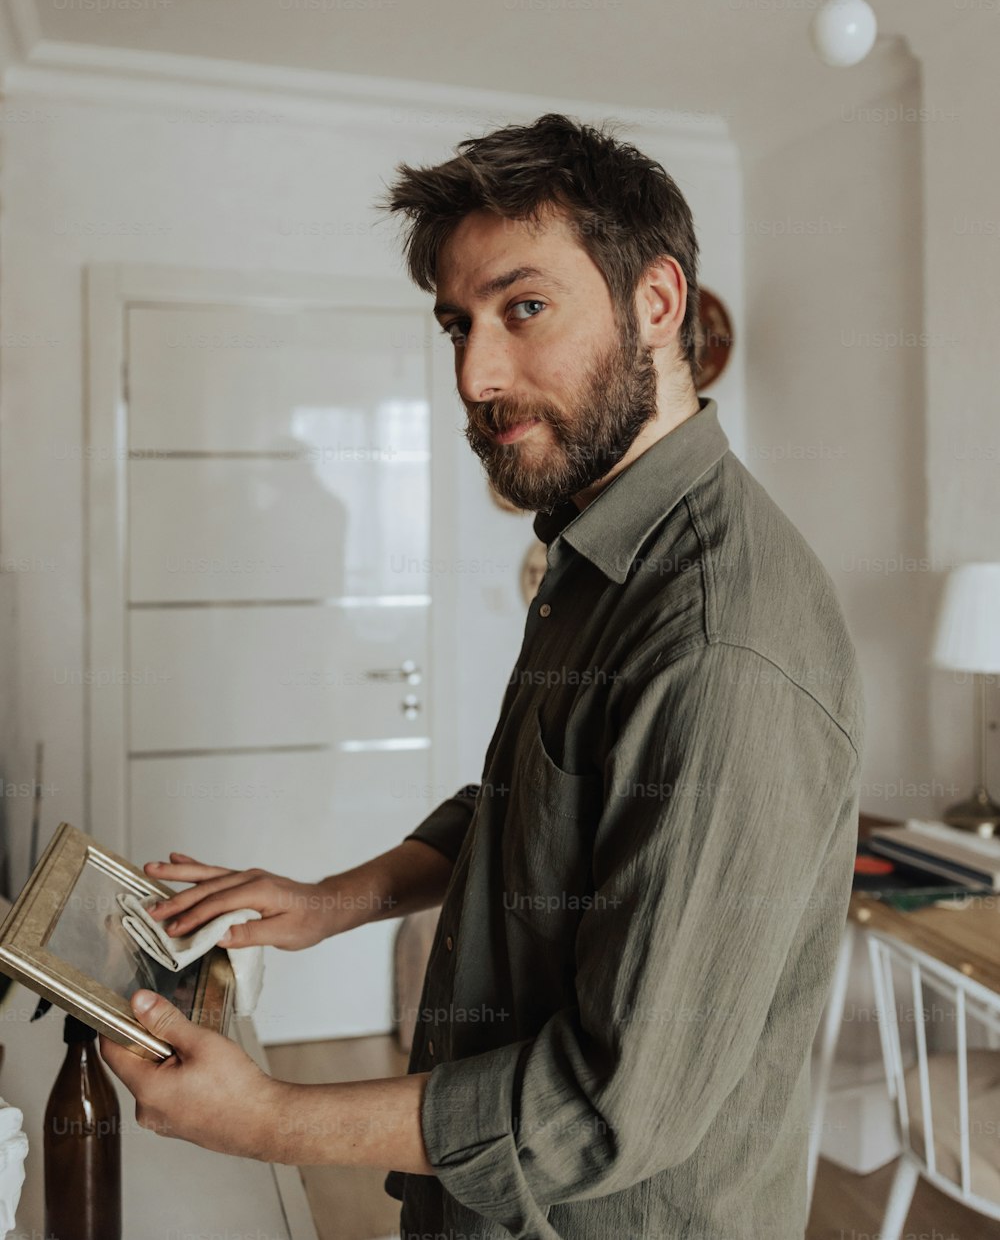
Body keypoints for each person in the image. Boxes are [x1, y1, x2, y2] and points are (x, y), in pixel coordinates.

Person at [102, 114, 864, 1240]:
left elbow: (605, 1112)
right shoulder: (603, 550)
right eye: (457, 324)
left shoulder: (719, 643)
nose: (475, 373)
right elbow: (527, 807)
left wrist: (263, 1116)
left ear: (656, 303)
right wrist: (330, 905)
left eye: (524, 309)